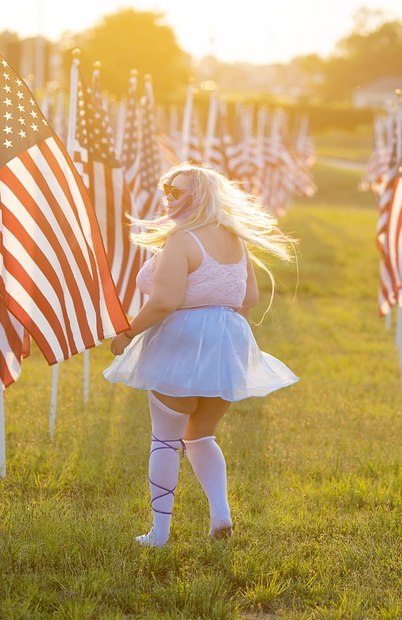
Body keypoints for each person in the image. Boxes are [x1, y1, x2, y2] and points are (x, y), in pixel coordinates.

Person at [104, 162, 299, 547]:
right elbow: (249, 299)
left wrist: (126, 333)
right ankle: (220, 515)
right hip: (227, 344)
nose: (169, 197)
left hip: (180, 342)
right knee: (201, 436)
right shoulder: (234, 239)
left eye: (177, 191)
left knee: (165, 440)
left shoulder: (182, 240)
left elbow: (163, 301)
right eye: (168, 190)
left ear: (199, 196)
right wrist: (219, 331)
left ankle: (159, 534)